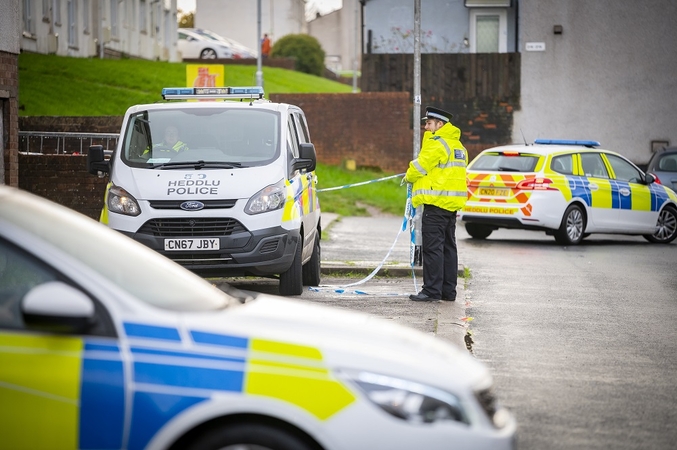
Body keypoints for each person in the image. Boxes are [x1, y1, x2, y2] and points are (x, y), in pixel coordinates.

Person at [404, 106, 468, 302]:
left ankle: (431, 291)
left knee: (433, 250)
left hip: (435, 203)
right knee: (449, 249)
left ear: (440, 125)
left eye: (429, 123)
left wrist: (408, 177)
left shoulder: (436, 143)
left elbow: (420, 166)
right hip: (450, 206)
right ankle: (448, 292)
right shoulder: (458, 146)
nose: (425, 127)